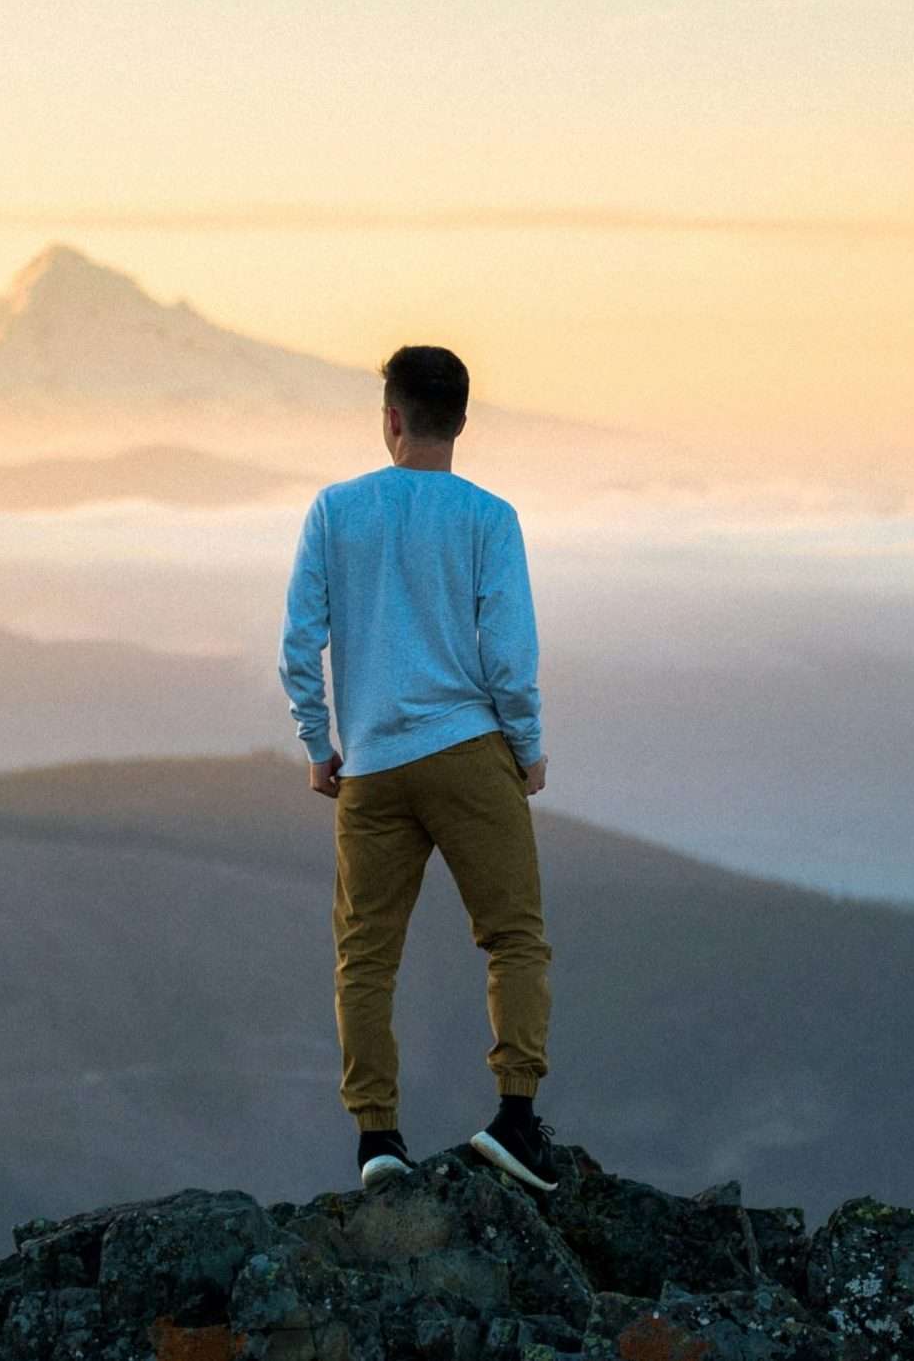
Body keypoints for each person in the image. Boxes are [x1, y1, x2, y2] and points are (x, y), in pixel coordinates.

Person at [277, 343, 560, 1193]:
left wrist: (318, 743)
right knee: (512, 937)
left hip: (370, 765)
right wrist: (527, 746)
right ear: (461, 422)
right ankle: (514, 1117)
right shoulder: (487, 517)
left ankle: (377, 1140)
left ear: (390, 418)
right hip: (468, 750)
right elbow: (507, 655)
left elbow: (299, 643)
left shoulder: (336, 510)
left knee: (365, 957)